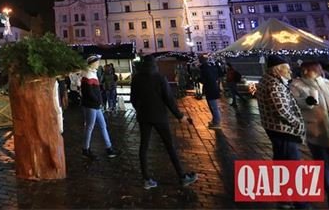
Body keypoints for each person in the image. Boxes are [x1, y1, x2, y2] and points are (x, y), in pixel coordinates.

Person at [130, 55, 198, 189]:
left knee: (143, 147)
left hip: (144, 117)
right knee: (170, 146)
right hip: (159, 117)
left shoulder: (136, 78)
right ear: (155, 65)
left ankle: (146, 179)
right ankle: (182, 176)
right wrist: (179, 116)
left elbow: (133, 98)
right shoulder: (160, 78)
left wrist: (140, 109)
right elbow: (169, 99)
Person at [256, 55, 307, 207]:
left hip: (273, 127)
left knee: (281, 162)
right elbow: (282, 110)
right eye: (287, 69)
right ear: (278, 70)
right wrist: (298, 124)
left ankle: (284, 198)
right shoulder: (274, 84)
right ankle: (301, 203)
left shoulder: (269, 80)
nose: (290, 71)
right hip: (282, 130)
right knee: (292, 165)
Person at [289, 61, 329, 206]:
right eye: (312, 69)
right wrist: (312, 90)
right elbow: (305, 104)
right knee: (325, 169)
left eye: (317, 68)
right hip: (316, 135)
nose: (316, 71)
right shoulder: (296, 86)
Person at [80, 55, 118, 159]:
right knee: (90, 127)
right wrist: (98, 101)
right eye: (96, 62)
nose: (98, 64)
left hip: (95, 105)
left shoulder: (93, 73)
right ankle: (85, 149)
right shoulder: (87, 74)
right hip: (90, 105)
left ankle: (109, 148)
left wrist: (99, 101)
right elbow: (88, 92)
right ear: (92, 63)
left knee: (102, 125)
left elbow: (95, 90)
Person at [198, 55, 222, 129]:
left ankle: (217, 123)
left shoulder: (204, 69)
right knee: (213, 106)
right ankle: (215, 121)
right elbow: (218, 75)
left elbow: (205, 79)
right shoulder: (211, 67)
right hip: (213, 88)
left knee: (214, 107)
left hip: (210, 89)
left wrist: (199, 79)